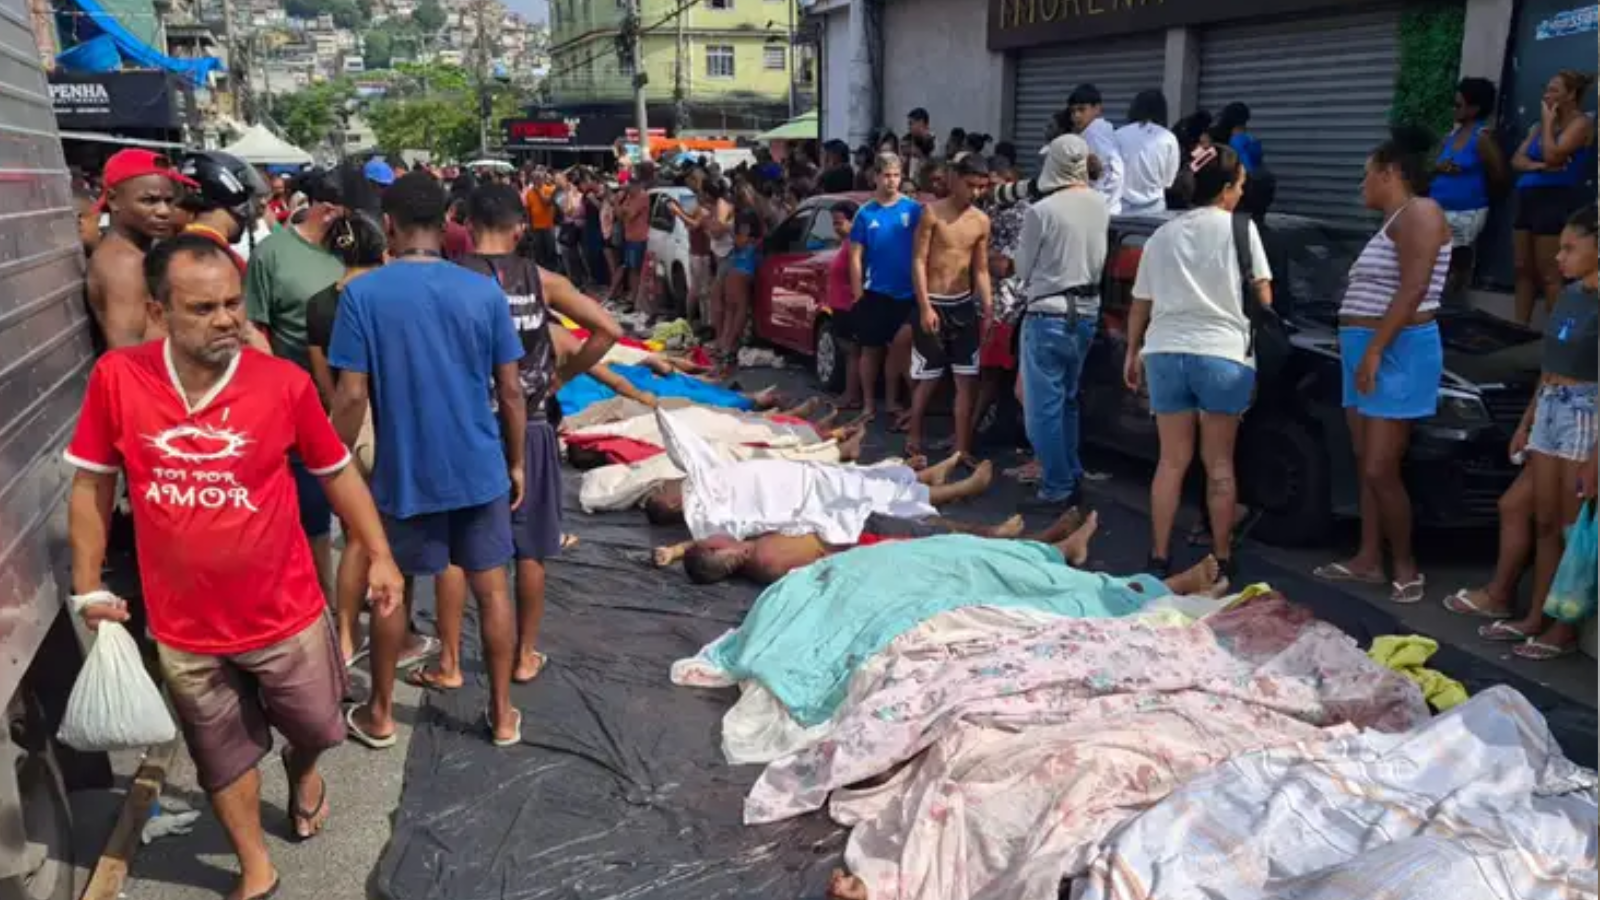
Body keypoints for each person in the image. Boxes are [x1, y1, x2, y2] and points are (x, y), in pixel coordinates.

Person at [65, 234, 404, 900]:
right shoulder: (118, 379)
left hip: (287, 614)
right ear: (159, 311)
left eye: (232, 303)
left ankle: (303, 770)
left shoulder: (280, 384)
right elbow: (92, 485)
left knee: (319, 726)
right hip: (185, 627)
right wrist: (87, 587)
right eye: (203, 307)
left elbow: (335, 472)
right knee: (219, 756)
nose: (227, 319)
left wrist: (382, 556)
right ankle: (255, 867)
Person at [327, 172, 527, 749]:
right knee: (492, 591)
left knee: (393, 591)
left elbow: (351, 395)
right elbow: (510, 391)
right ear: (448, 225)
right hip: (479, 466)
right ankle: (503, 714)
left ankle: (381, 713)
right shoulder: (483, 290)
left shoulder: (363, 294)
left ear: (387, 224)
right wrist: (515, 463)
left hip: (405, 473)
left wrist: (336, 465)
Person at [405, 184, 621, 691]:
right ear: (521, 228)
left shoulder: (448, 279)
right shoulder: (542, 280)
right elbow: (606, 330)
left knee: (458, 550)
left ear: (463, 224)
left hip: (467, 427)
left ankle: (451, 662)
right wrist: (558, 379)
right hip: (535, 423)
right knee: (530, 549)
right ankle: (525, 656)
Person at [1313, 127, 1450, 604]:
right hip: (1367, 348)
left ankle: (1406, 564)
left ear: (1391, 172)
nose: (1361, 185)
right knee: (1364, 461)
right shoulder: (1394, 221)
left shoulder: (1421, 212)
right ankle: (1368, 558)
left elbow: (1414, 289)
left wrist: (1374, 350)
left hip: (1396, 350)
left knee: (1379, 467)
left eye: (1366, 175)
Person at [1454, 205, 1597, 659]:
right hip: (1552, 407)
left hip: (1583, 416)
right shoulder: (1571, 294)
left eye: (1571, 248)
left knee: (1563, 525)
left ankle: (1562, 627)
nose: (1559, 257)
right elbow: (1549, 366)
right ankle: (1534, 613)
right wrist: (1527, 421)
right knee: (1536, 515)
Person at [1124, 145, 1272, 583]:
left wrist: (1132, 351)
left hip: (1166, 352)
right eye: (1240, 186)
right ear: (1226, 189)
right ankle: (1221, 559)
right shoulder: (1241, 230)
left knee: (1171, 462)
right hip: (1223, 354)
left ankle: (1157, 555)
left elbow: (1140, 303)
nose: (1241, 194)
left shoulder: (1162, 235)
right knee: (1219, 465)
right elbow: (1264, 296)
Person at [245, 165, 349, 608]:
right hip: (301, 408)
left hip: (356, 403)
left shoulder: (353, 249)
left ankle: (349, 596)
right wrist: (281, 388)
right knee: (313, 514)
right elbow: (253, 327)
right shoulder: (272, 255)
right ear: (328, 210)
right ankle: (319, 604)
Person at [304, 210, 386, 664]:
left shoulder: (318, 304)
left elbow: (326, 383)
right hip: (386, 419)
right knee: (392, 535)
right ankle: (397, 632)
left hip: (343, 422)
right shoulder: (387, 296)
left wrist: (335, 440)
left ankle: (346, 634)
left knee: (356, 535)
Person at [1013, 134, 1109, 510]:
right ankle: (1072, 471)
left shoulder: (1043, 211)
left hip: (1047, 313)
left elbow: (1022, 267)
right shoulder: (1100, 206)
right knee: (1067, 399)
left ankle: (1056, 485)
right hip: (1087, 313)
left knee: (1042, 409)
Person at [658, 506, 1091, 586]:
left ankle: (1035, 542)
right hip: (866, 539)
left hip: (860, 528)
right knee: (949, 540)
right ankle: (1048, 547)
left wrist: (676, 551)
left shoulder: (754, 551)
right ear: (720, 552)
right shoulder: (768, 558)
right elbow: (828, 561)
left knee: (940, 527)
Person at [907, 153, 993, 460]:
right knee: (928, 377)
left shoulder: (981, 221)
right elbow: (918, 259)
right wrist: (925, 305)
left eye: (982, 187)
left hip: (963, 306)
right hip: (934, 303)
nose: (976, 193)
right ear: (955, 179)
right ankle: (914, 436)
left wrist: (989, 308)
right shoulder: (931, 213)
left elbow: (980, 269)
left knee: (966, 380)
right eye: (971, 185)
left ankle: (961, 447)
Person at [1510, 70, 1596, 326]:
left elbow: (1553, 155)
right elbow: (1517, 159)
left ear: (1571, 95)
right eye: (1546, 90)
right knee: (1523, 268)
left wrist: (1548, 122)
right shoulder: (1537, 127)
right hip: (1528, 196)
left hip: (1555, 198)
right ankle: (1518, 329)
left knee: (1551, 273)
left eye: (1554, 91)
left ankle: (1555, 337)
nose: (1547, 96)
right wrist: (1538, 167)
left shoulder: (1581, 123)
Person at [86, 149, 195, 350]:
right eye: (149, 201)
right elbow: (126, 352)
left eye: (169, 201)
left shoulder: (135, 254)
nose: (164, 211)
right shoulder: (124, 263)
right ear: (113, 200)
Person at [850, 152, 924, 426]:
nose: (892, 181)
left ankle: (904, 404)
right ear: (876, 177)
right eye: (886, 175)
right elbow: (855, 256)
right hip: (876, 292)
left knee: (904, 349)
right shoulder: (865, 213)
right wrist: (858, 294)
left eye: (896, 175)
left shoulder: (913, 210)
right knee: (871, 350)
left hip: (908, 293)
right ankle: (869, 404)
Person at [1434, 77, 1509, 303]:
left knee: (1453, 264)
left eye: (1459, 105)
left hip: (1465, 213)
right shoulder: (1450, 137)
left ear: (1474, 108)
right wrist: (1439, 168)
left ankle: (1450, 309)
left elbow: (1500, 175)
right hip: (1440, 210)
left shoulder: (1482, 138)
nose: (1453, 109)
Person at [824, 200, 864, 409]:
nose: (836, 228)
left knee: (852, 353)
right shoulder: (846, 244)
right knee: (849, 352)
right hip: (840, 304)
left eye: (839, 223)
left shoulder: (854, 247)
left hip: (849, 305)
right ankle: (850, 394)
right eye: (834, 223)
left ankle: (852, 395)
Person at [1116, 90, 1181, 216]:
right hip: (1156, 209)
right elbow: (1169, 181)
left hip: (1123, 208)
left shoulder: (1119, 134)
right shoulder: (1168, 138)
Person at [714, 210, 763, 367]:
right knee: (736, 308)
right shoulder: (758, 232)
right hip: (744, 269)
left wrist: (730, 230)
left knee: (734, 308)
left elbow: (741, 242)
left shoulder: (744, 225)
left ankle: (726, 344)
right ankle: (728, 344)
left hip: (740, 268)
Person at [1067, 84, 1124, 215]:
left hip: (1099, 210)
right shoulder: (1097, 131)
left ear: (1097, 109)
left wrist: (1098, 200)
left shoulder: (1095, 134)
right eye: (1073, 111)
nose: (1076, 115)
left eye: (1081, 110)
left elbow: (1115, 172)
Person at [620, 172, 652, 310]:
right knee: (631, 269)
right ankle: (633, 298)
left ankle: (636, 300)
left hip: (639, 239)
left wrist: (624, 209)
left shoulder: (642, 196)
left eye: (632, 185)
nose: (629, 188)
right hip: (629, 237)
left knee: (636, 270)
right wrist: (621, 207)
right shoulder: (629, 197)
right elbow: (620, 215)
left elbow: (630, 215)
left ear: (638, 185)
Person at [523, 169, 560, 270]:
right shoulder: (529, 193)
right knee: (538, 251)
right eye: (535, 179)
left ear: (543, 179)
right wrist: (528, 224)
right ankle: (541, 269)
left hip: (548, 226)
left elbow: (547, 203)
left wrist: (539, 191)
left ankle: (553, 269)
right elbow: (528, 210)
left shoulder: (550, 189)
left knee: (550, 249)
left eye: (539, 178)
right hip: (535, 227)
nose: (537, 181)